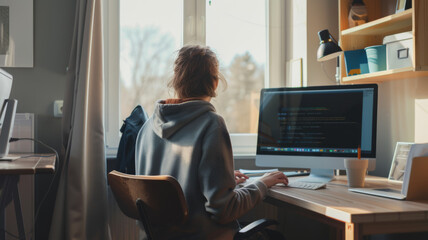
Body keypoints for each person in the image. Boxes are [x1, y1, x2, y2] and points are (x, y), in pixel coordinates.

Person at [135, 45, 288, 239]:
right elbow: (224, 210)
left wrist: (221, 177)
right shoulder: (211, 124)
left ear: (176, 82)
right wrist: (261, 184)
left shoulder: (148, 127)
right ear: (215, 83)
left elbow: (173, 189)